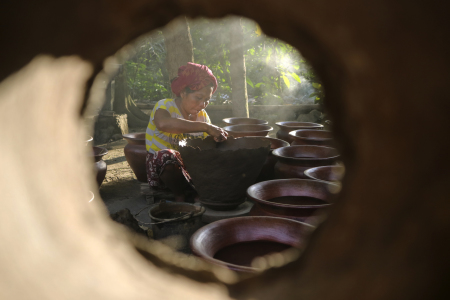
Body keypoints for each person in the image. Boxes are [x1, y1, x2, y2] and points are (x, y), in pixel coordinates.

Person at [145, 62, 228, 201]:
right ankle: (180, 195)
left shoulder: (203, 116)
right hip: (163, 172)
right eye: (198, 98)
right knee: (168, 156)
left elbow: (206, 148)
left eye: (207, 100)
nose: (203, 105)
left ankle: (196, 193)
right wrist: (206, 127)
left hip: (190, 169)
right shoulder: (164, 106)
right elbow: (163, 123)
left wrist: (218, 139)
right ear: (183, 93)